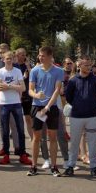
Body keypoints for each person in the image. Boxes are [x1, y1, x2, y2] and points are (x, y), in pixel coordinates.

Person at [63, 56, 96, 178]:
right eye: (86, 65)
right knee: (74, 142)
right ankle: (70, 167)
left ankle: (94, 168)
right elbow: (68, 96)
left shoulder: (95, 80)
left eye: (90, 65)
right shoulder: (73, 80)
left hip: (92, 116)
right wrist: (77, 106)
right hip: (76, 116)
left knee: (92, 143)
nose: (89, 67)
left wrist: (92, 105)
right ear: (79, 65)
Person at [28, 46, 65, 177]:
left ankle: (54, 166)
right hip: (37, 107)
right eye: (39, 55)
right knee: (36, 137)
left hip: (51, 108)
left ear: (50, 57)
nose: (40, 57)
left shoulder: (59, 71)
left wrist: (47, 107)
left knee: (53, 137)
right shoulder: (34, 70)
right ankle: (33, 166)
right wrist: (36, 95)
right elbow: (30, 90)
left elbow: (57, 91)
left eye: (43, 55)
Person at [0, 51, 30, 165]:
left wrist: (8, 86)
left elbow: (23, 88)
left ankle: (22, 154)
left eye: (11, 58)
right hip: (4, 103)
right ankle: (6, 155)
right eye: (7, 58)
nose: (9, 60)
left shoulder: (17, 71)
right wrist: (15, 87)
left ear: (14, 59)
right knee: (5, 130)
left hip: (16, 103)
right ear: (3, 60)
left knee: (20, 130)